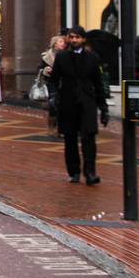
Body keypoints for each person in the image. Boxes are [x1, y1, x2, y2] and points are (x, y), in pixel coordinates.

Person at [47, 26, 109, 185]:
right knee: (70, 139)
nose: (74, 40)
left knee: (89, 139)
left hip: (87, 103)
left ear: (83, 39)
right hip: (67, 103)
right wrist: (53, 97)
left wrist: (103, 108)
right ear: (68, 38)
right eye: (71, 37)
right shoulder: (61, 58)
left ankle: (90, 172)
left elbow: (99, 84)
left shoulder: (92, 58)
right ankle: (73, 171)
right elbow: (53, 81)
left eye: (77, 37)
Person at [38, 34, 68, 135]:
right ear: (55, 44)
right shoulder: (46, 56)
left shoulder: (67, 55)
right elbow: (40, 69)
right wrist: (46, 70)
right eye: (61, 42)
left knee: (63, 106)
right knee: (53, 105)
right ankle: (51, 126)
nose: (63, 44)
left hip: (64, 83)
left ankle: (61, 128)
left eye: (63, 42)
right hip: (51, 83)